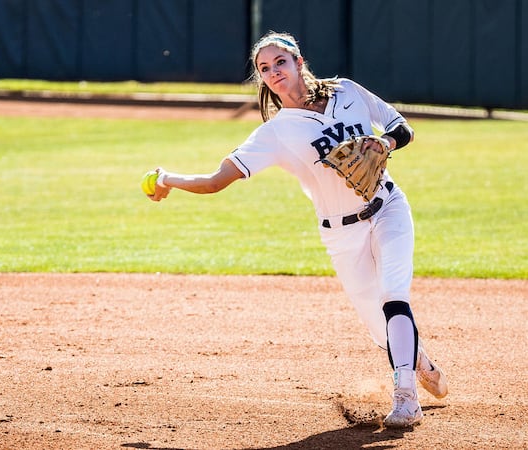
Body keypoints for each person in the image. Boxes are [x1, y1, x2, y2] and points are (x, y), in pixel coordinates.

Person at [146, 31, 447, 427]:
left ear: (299, 62)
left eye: (280, 62)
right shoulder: (276, 133)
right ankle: (419, 361)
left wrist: (385, 144)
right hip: (342, 235)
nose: (274, 72)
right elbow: (216, 180)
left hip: (388, 206)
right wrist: (168, 178)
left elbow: (400, 127)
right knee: (379, 326)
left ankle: (405, 397)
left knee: (394, 293)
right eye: (264, 69)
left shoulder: (348, 91)